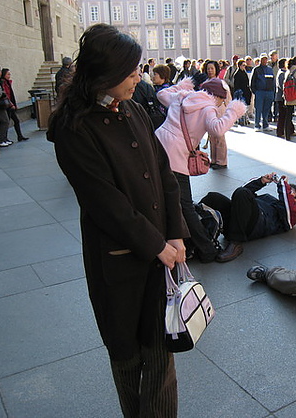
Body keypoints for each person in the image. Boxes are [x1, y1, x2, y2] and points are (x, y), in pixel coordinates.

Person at [46, 23, 189, 417]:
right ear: (104, 74)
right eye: (130, 73)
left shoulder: (134, 109)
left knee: (162, 352)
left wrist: (175, 233)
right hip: (119, 261)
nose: (138, 78)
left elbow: (165, 175)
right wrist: (157, 244)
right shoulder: (73, 127)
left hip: (161, 254)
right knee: (127, 358)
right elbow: (105, 203)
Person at [155, 78, 246, 262]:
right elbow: (217, 129)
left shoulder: (183, 96)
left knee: (165, 199)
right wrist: (233, 112)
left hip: (156, 146)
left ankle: (175, 241)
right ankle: (207, 250)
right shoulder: (208, 108)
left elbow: (161, 94)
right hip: (175, 156)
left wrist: (181, 86)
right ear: (218, 97)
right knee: (185, 205)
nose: (222, 104)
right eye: (223, 101)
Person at [201, 173, 296, 263]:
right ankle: (196, 231)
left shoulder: (294, 214)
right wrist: (261, 181)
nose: (289, 195)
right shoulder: (269, 198)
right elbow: (241, 193)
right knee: (213, 197)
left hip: (254, 226)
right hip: (236, 221)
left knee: (242, 193)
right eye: (289, 192)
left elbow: (288, 207)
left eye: (292, 195)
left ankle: (236, 243)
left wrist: (284, 186)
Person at [0, 68, 28, 142]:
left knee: (15, 121)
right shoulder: (4, 83)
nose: (9, 76)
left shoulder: (8, 82)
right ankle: (4, 138)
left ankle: (19, 136)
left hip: (10, 105)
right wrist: (11, 104)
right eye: (8, 74)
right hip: (7, 105)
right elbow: (6, 95)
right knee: (7, 122)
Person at [250, 53, 275, 131]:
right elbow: (252, 82)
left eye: (265, 59)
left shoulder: (270, 69)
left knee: (267, 109)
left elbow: (273, 81)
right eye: (262, 59)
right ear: (260, 60)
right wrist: (255, 92)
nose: (264, 60)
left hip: (269, 92)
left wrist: (273, 92)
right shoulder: (256, 69)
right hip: (260, 92)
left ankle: (265, 124)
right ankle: (257, 125)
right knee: (258, 109)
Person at [274, 58, 288, 138]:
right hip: (281, 97)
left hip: (281, 97)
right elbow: (281, 85)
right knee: (282, 115)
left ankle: (290, 129)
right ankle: (280, 131)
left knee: (285, 114)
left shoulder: (282, 72)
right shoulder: (282, 73)